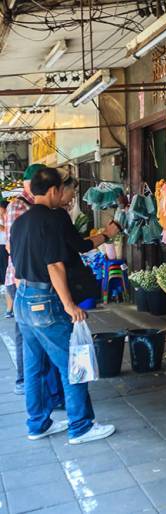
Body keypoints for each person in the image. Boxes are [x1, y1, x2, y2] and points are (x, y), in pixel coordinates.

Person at [11, 167, 115, 444]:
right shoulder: (53, 218)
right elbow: (55, 265)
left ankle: (37, 424)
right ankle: (80, 426)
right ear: (55, 190)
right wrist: (69, 305)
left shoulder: (20, 221)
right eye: (63, 191)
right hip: (46, 300)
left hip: (23, 298)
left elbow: (17, 261)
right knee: (72, 362)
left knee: (34, 368)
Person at [6, 164, 40, 394]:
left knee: (35, 332)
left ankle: (37, 383)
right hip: (21, 278)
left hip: (32, 277)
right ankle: (24, 381)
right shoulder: (18, 205)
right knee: (25, 332)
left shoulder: (37, 204)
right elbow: (13, 246)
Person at [0, 200, 9, 317]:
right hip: (0, 244)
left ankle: (5, 284)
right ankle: (3, 284)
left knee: (5, 265)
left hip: (5, 244)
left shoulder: (8, 216)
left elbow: (6, 229)